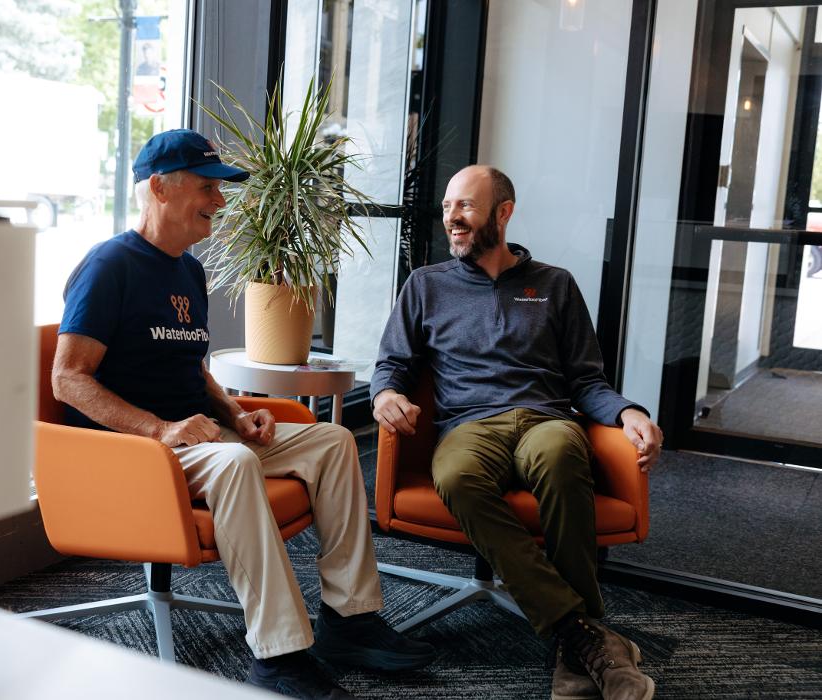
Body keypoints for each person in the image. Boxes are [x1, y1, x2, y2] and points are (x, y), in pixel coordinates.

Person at [53, 129, 435, 699]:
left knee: (331, 441)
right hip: (135, 451)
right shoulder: (109, 266)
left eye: (220, 188)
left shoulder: (188, 271)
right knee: (235, 464)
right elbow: (67, 378)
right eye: (207, 187)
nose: (221, 200)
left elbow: (191, 366)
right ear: (159, 188)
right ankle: (279, 657)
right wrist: (161, 429)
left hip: (200, 439)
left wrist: (235, 413)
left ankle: (350, 619)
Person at [371, 165, 662, 700]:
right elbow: (392, 364)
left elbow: (586, 380)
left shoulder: (555, 284)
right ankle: (583, 636)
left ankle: (575, 650)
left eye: (465, 206)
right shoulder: (427, 285)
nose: (452, 218)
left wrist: (628, 414)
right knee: (455, 477)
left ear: (503, 213)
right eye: (447, 207)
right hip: (469, 425)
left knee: (560, 456)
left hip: (545, 419)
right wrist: (385, 395)